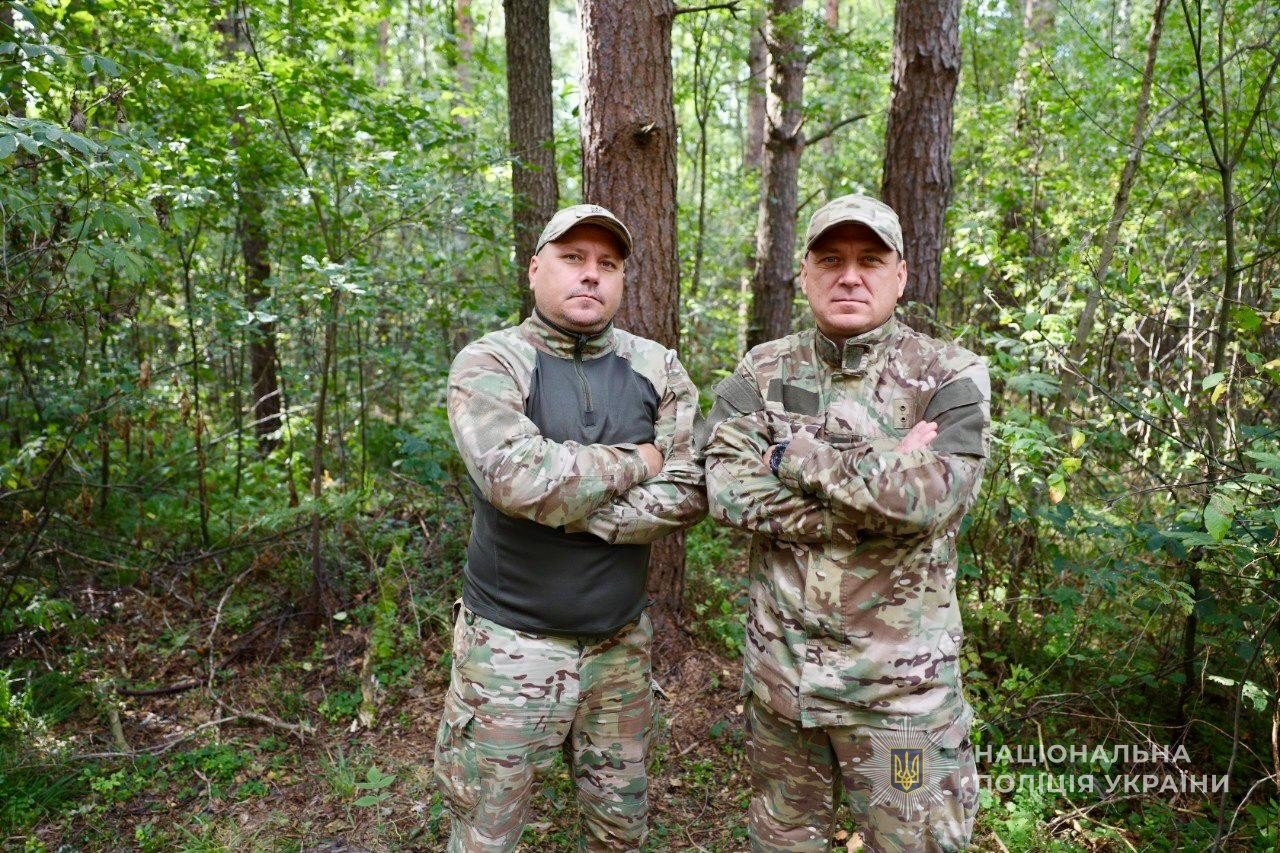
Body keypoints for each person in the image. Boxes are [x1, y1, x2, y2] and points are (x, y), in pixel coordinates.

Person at [703, 194, 990, 851]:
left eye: (870, 260)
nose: (850, 276)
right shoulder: (762, 371)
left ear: (901, 275)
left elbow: (929, 500)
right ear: (805, 273)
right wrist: (877, 484)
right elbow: (724, 489)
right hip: (784, 689)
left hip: (899, 703)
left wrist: (793, 457)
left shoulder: (949, 375)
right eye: (831, 260)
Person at [432, 203, 706, 851]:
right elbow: (518, 479)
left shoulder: (657, 367)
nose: (590, 274)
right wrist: (642, 459)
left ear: (622, 279)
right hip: (509, 648)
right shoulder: (491, 362)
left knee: (620, 827)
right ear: (535, 269)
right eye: (572, 258)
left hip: (619, 646)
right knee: (485, 829)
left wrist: (578, 511)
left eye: (607, 264)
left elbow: (694, 486)